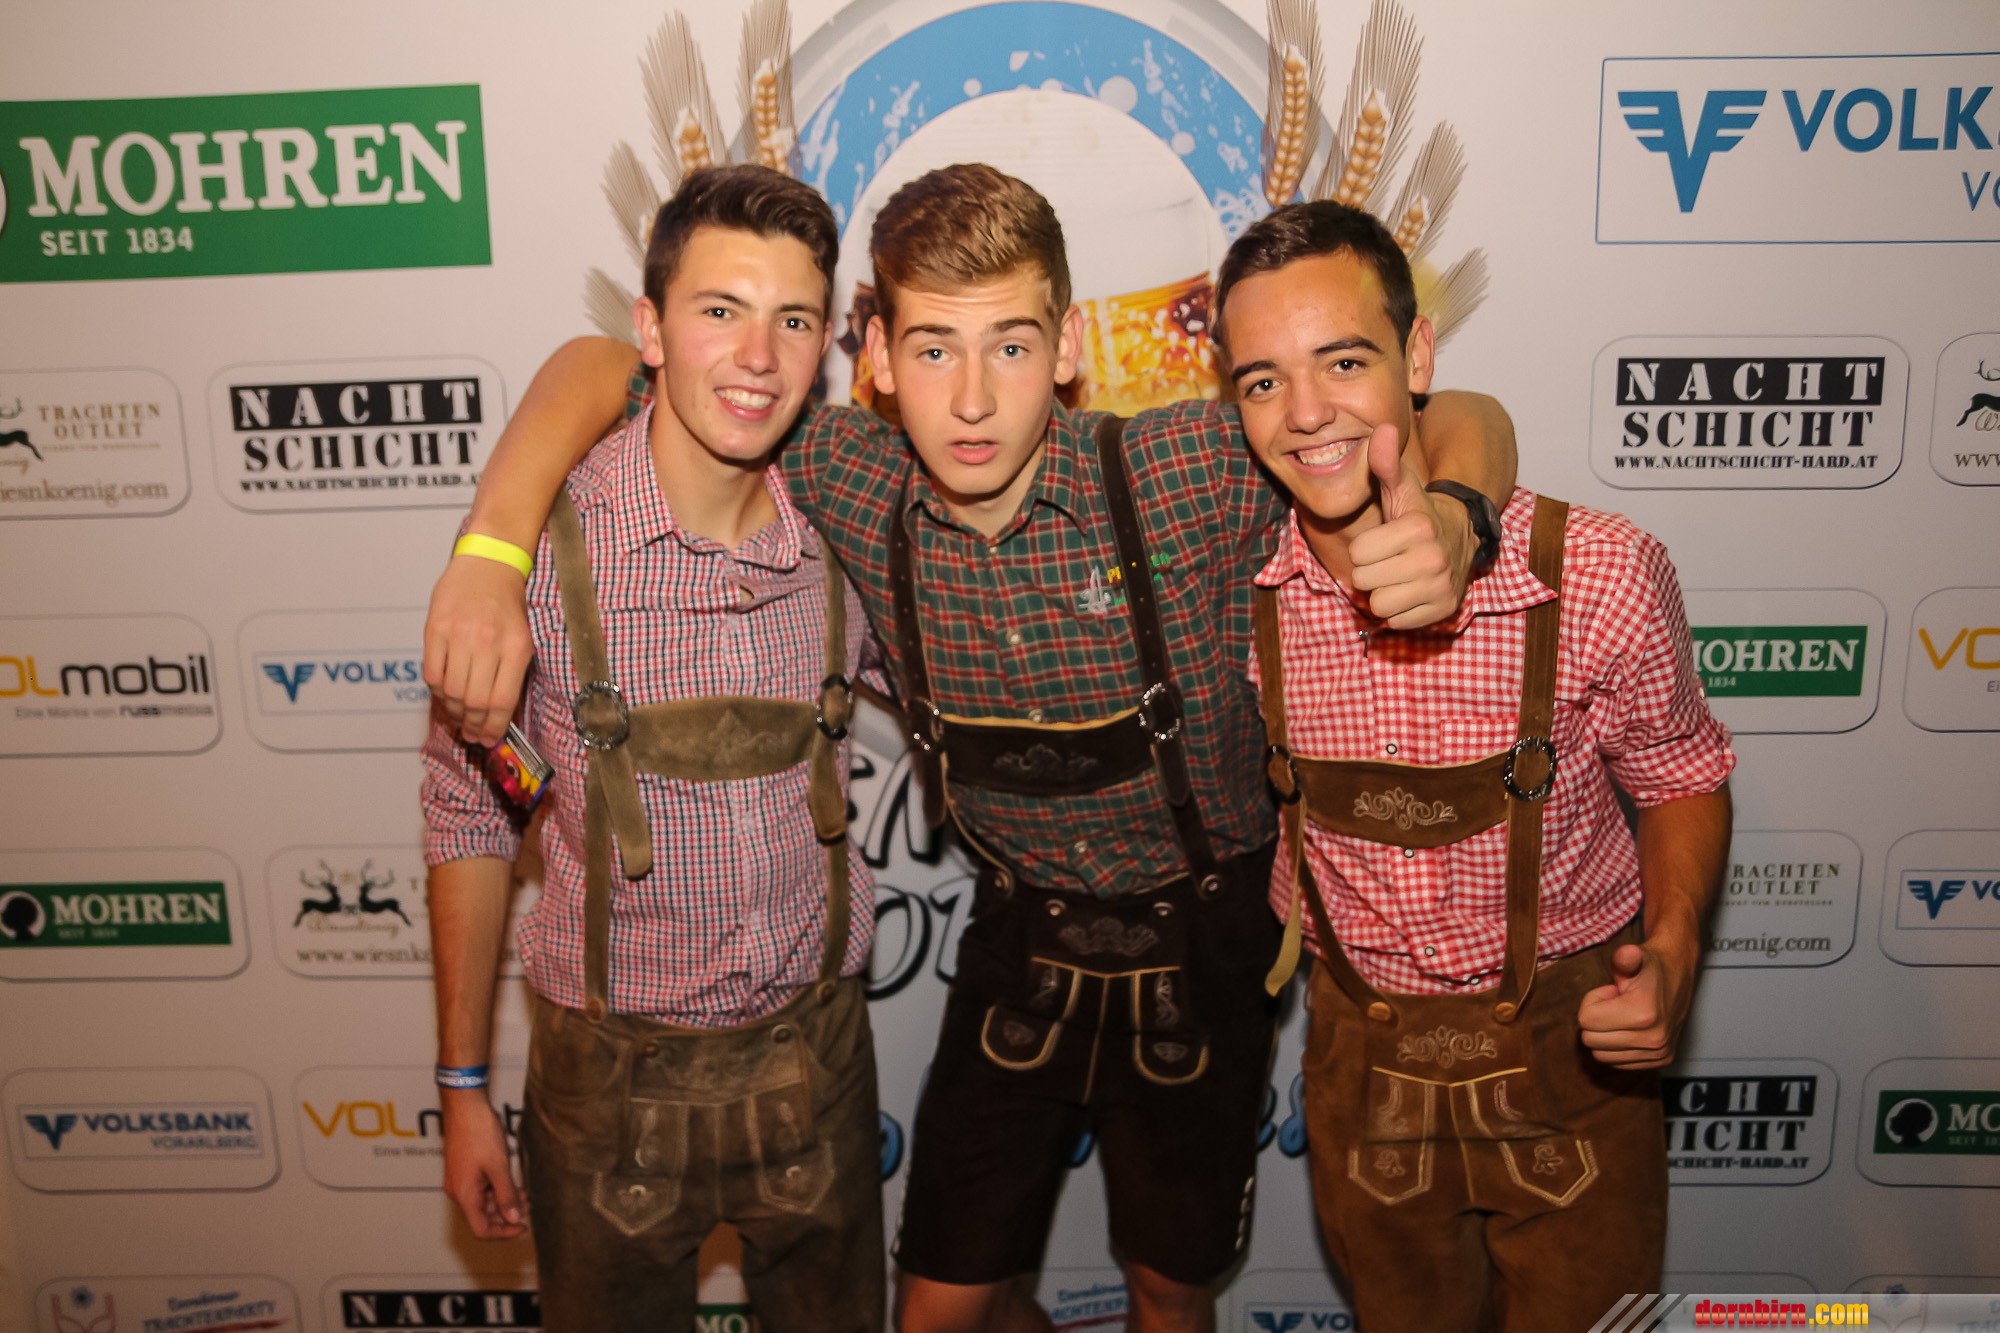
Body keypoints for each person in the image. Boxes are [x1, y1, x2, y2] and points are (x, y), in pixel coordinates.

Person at [421, 163, 1518, 1333]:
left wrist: (1457, 515)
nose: (974, 400)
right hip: (1017, 938)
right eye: (936, 348)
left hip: (1206, 940)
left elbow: (1447, 413)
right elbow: (608, 366)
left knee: (1168, 1286)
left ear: (1066, 349)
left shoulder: (1178, 471)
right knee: (937, 1307)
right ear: (878, 360)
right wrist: (491, 547)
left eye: (1011, 345)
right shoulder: (840, 474)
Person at [1218, 198, 1734, 1331]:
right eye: (1261, 380)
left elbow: (1680, 773)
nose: (1304, 414)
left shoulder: (1598, 570)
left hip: (1575, 1056)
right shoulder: (1232, 583)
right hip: (1361, 1060)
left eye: (1342, 361)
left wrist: (1676, 945)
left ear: (1416, 357)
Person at [420, 165, 887, 1333]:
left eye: (792, 320)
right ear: (650, 329)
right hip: (603, 1089)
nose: (757, 357)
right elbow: (468, 817)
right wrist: (463, 1086)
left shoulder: (849, 529)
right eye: (719, 310)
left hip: (818, 1064)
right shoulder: (535, 559)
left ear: (825, 345)